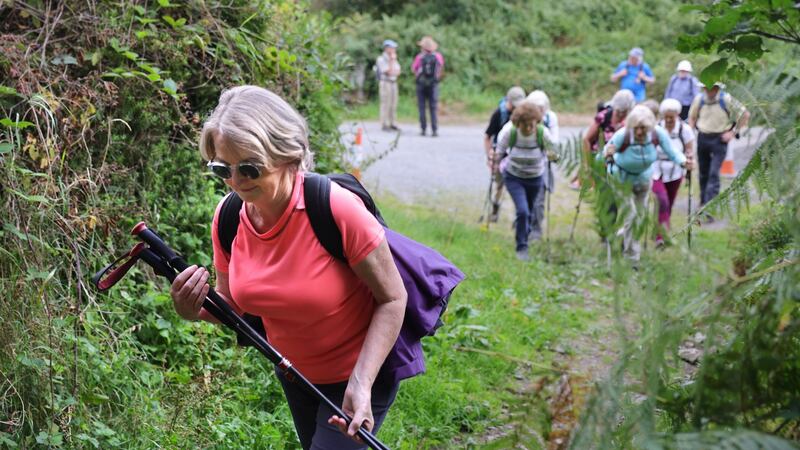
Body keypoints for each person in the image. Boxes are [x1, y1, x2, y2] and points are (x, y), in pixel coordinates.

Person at [169, 86, 407, 449]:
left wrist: (361, 383)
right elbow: (231, 303)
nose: (234, 182)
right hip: (295, 375)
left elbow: (393, 298)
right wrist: (194, 309)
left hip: (361, 375)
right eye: (222, 168)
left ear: (288, 155)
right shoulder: (229, 217)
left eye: (248, 168)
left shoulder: (335, 210)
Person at [602, 105, 687, 263]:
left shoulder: (657, 133)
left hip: (643, 179)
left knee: (639, 219)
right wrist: (608, 153)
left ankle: (620, 240)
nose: (640, 132)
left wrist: (684, 162)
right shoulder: (623, 134)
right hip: (621, 179)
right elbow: (605, 152)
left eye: (643, 128)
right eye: (636, 128)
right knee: (631, 215)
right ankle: (632, 258)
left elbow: (672, 152)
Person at [494, 100, 557, 261]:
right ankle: (522, 247)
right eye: (525, 125)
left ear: (537, 122)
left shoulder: (542, 133)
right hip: (514, 177)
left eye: (532, 125)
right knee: (522, 211)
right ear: (517, 122)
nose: (529, 128)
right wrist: (495, 164)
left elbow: (554, 152)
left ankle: (524, 232)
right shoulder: (511, 132)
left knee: (528, 212)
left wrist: (553, 155)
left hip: (535, 178)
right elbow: (499, 150)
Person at [687, 81, 750, 219]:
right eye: (706, 88)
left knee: (714, 174)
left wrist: (733, 132)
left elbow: (745, 114)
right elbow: (692, 117)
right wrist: (689, 135)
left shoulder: (726, 99)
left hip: (719, 139)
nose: (708, 91)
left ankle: (710, 206)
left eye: (711, 88)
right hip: (703, 137)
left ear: (717, 88)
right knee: (703, 173)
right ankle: (703, 202)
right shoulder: (699, 99)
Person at [652, 98, 695, 247]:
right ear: (662, 115)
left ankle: (660, 230)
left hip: (676, 170)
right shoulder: (656, 128)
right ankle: (661, 237)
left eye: (672, 116)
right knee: (662, 200)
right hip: (656, 169)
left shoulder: (685, 130)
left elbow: (689, 149)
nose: (669, 120)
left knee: (668, 203)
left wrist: (689, 160)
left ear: (677, 114)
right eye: (666, 116)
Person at [483, 86, 526, 222]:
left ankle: (518, 217)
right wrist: (490, 156)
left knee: (518, 187)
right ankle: (495, 211)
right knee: (499, 185)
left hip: (515, 155)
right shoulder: (499, 114)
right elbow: (487, 136)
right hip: (500, 155)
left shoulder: (523, 115)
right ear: (509, 101)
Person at [578, 89, 636, 188]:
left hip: (619, 167)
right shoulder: (604, 117)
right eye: (618, 111)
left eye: (624, 112)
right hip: (598, 163)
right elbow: (586, 140)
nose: (621, 115)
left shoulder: (630, 122)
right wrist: (587, 165)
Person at [526, 90, 560, 240]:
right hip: (525, 164)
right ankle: (525, 226)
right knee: (526, 198)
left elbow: (555, 140)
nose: (538, 112)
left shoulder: (550, 118)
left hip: (543, 164)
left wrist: (550, 152)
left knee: (539, 199)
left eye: (541, 108)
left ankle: (536, 230)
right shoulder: (524, 116)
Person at [411, 36, 444, 137]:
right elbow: (440, 69)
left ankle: (423, 129)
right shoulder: (438, 56)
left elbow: (413, 69)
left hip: (421, 85)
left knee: (422, 107)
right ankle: (434, 130)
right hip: (433, 85)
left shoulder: (419, 57)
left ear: (423, 47)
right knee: (433, 107)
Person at [376, 39, 401, 132]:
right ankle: (384, 123)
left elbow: (398, 72)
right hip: (385, 82)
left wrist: (393, 63)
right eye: (392, 47)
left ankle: (392, 123)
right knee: (386, 103)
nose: (394, 49)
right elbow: (388, 71)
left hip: (393, 83)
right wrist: (391, 61)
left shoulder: (394, 58)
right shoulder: (381, 59)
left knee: (394, 103)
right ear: (386, 48)